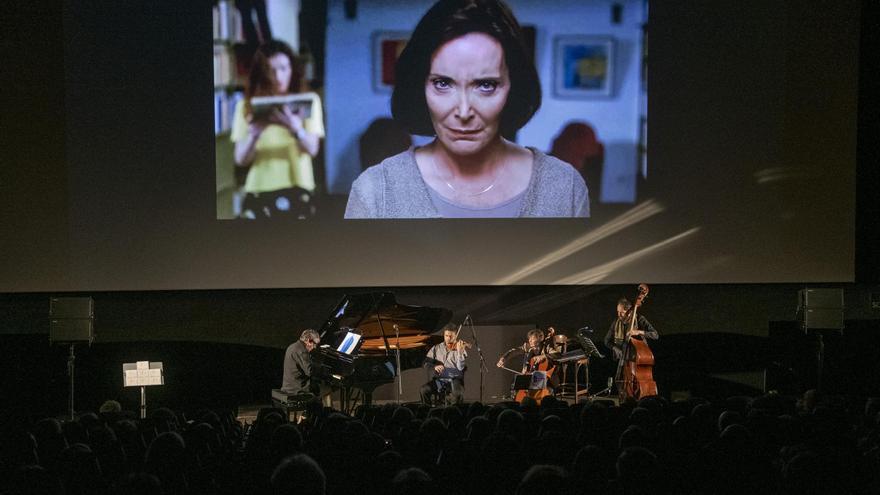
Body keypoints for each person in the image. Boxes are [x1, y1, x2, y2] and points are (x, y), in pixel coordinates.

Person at [345, 0, 589, 218]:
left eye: (485, 85)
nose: (463, 112)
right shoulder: (376, 191)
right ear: (420, 86)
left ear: (513, 87)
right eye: (443, 83)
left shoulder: (563, 187)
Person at [231, 39, 324, 219]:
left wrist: (297, 129)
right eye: (271, 70)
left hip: (298, 186)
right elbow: (240, 159)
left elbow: (312, 149)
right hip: (259, 188)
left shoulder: (309, 101)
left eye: (284, 68)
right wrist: (253, 135)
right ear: (261, 73)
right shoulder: (245, 106)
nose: (278, 76)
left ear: (292, 69)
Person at [420, 324, 468, 404]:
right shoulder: (436, 348)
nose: (448, 338)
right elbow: (425, 363)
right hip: (439, 381)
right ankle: (427, 411)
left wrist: (460, 353)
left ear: (456, 336)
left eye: (451, 336)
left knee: (457, 393)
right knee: (424, 390)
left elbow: (460, 367)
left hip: (454, 380)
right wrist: (434, 366)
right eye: (446, 336)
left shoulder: (460, 348)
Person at [604, 298, 659, 362]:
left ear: (630, 312)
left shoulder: (639, 319)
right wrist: (615, 348)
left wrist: (638, 332)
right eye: (618, 312)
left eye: (622, 312)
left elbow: (655, 335)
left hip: (636, 359)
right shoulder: (616, 322)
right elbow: (606, 341)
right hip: (621, 359)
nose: (619, 315)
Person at [281, 329, 320, 395]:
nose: (315, 347)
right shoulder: (302, 351)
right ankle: (320, 405)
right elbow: (310, 371)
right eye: (315, 344)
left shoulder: (293, 346)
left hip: (288, 386)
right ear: (308, 340)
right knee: (325, 389)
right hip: (296, 390)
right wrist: (323, 369)